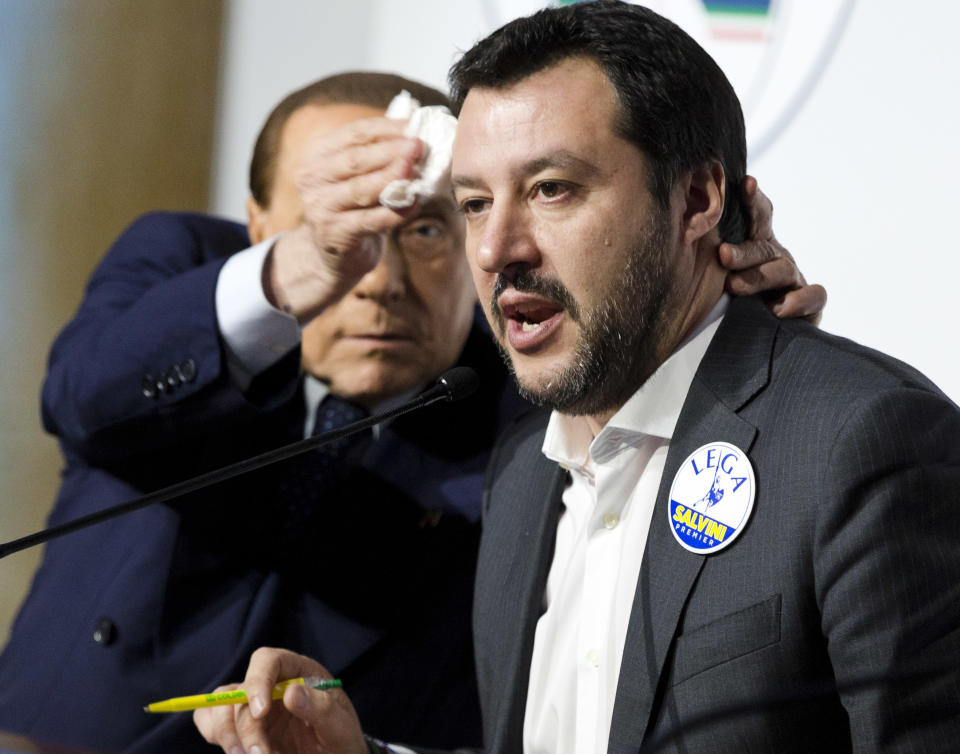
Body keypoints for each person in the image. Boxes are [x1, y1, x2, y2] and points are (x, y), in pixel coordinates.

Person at [195, 4, 960, 754]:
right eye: (472, 203)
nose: (496, 248)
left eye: (551, 189)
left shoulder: (865, 443)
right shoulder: (523, 472)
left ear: (698, 199)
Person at [0, 65, 818, 753]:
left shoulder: (538, 408)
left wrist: (722, 338)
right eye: (342, 225)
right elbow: (82, 395)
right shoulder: (185, 271)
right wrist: (291, 273)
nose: (380, 279)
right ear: (259, 227)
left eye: (427, 229)